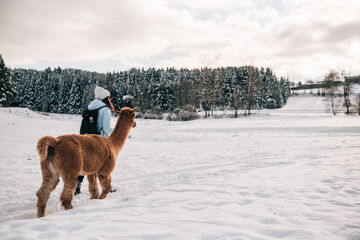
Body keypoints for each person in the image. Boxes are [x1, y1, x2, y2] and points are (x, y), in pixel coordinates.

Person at [75, 86, 115, 195]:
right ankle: (107, 187)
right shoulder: (105, 110)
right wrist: (116, 131)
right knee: (105, 165)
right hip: (99, 141)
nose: (110, 99)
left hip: (85, 139)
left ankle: (77, 186)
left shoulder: (90, 107)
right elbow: (106, 128)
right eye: (109, 97)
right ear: (106, 98)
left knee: (84, 163)